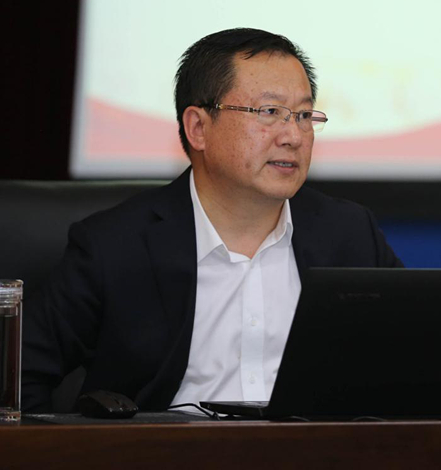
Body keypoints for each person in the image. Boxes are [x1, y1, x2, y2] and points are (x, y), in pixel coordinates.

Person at [22, 28, 403, 412]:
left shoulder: (349, 233)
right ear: (198, 128)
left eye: (304, 116)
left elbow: (412, 361)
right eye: (269, 112)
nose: (293, 136)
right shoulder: (115, 246)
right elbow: (15, 379)